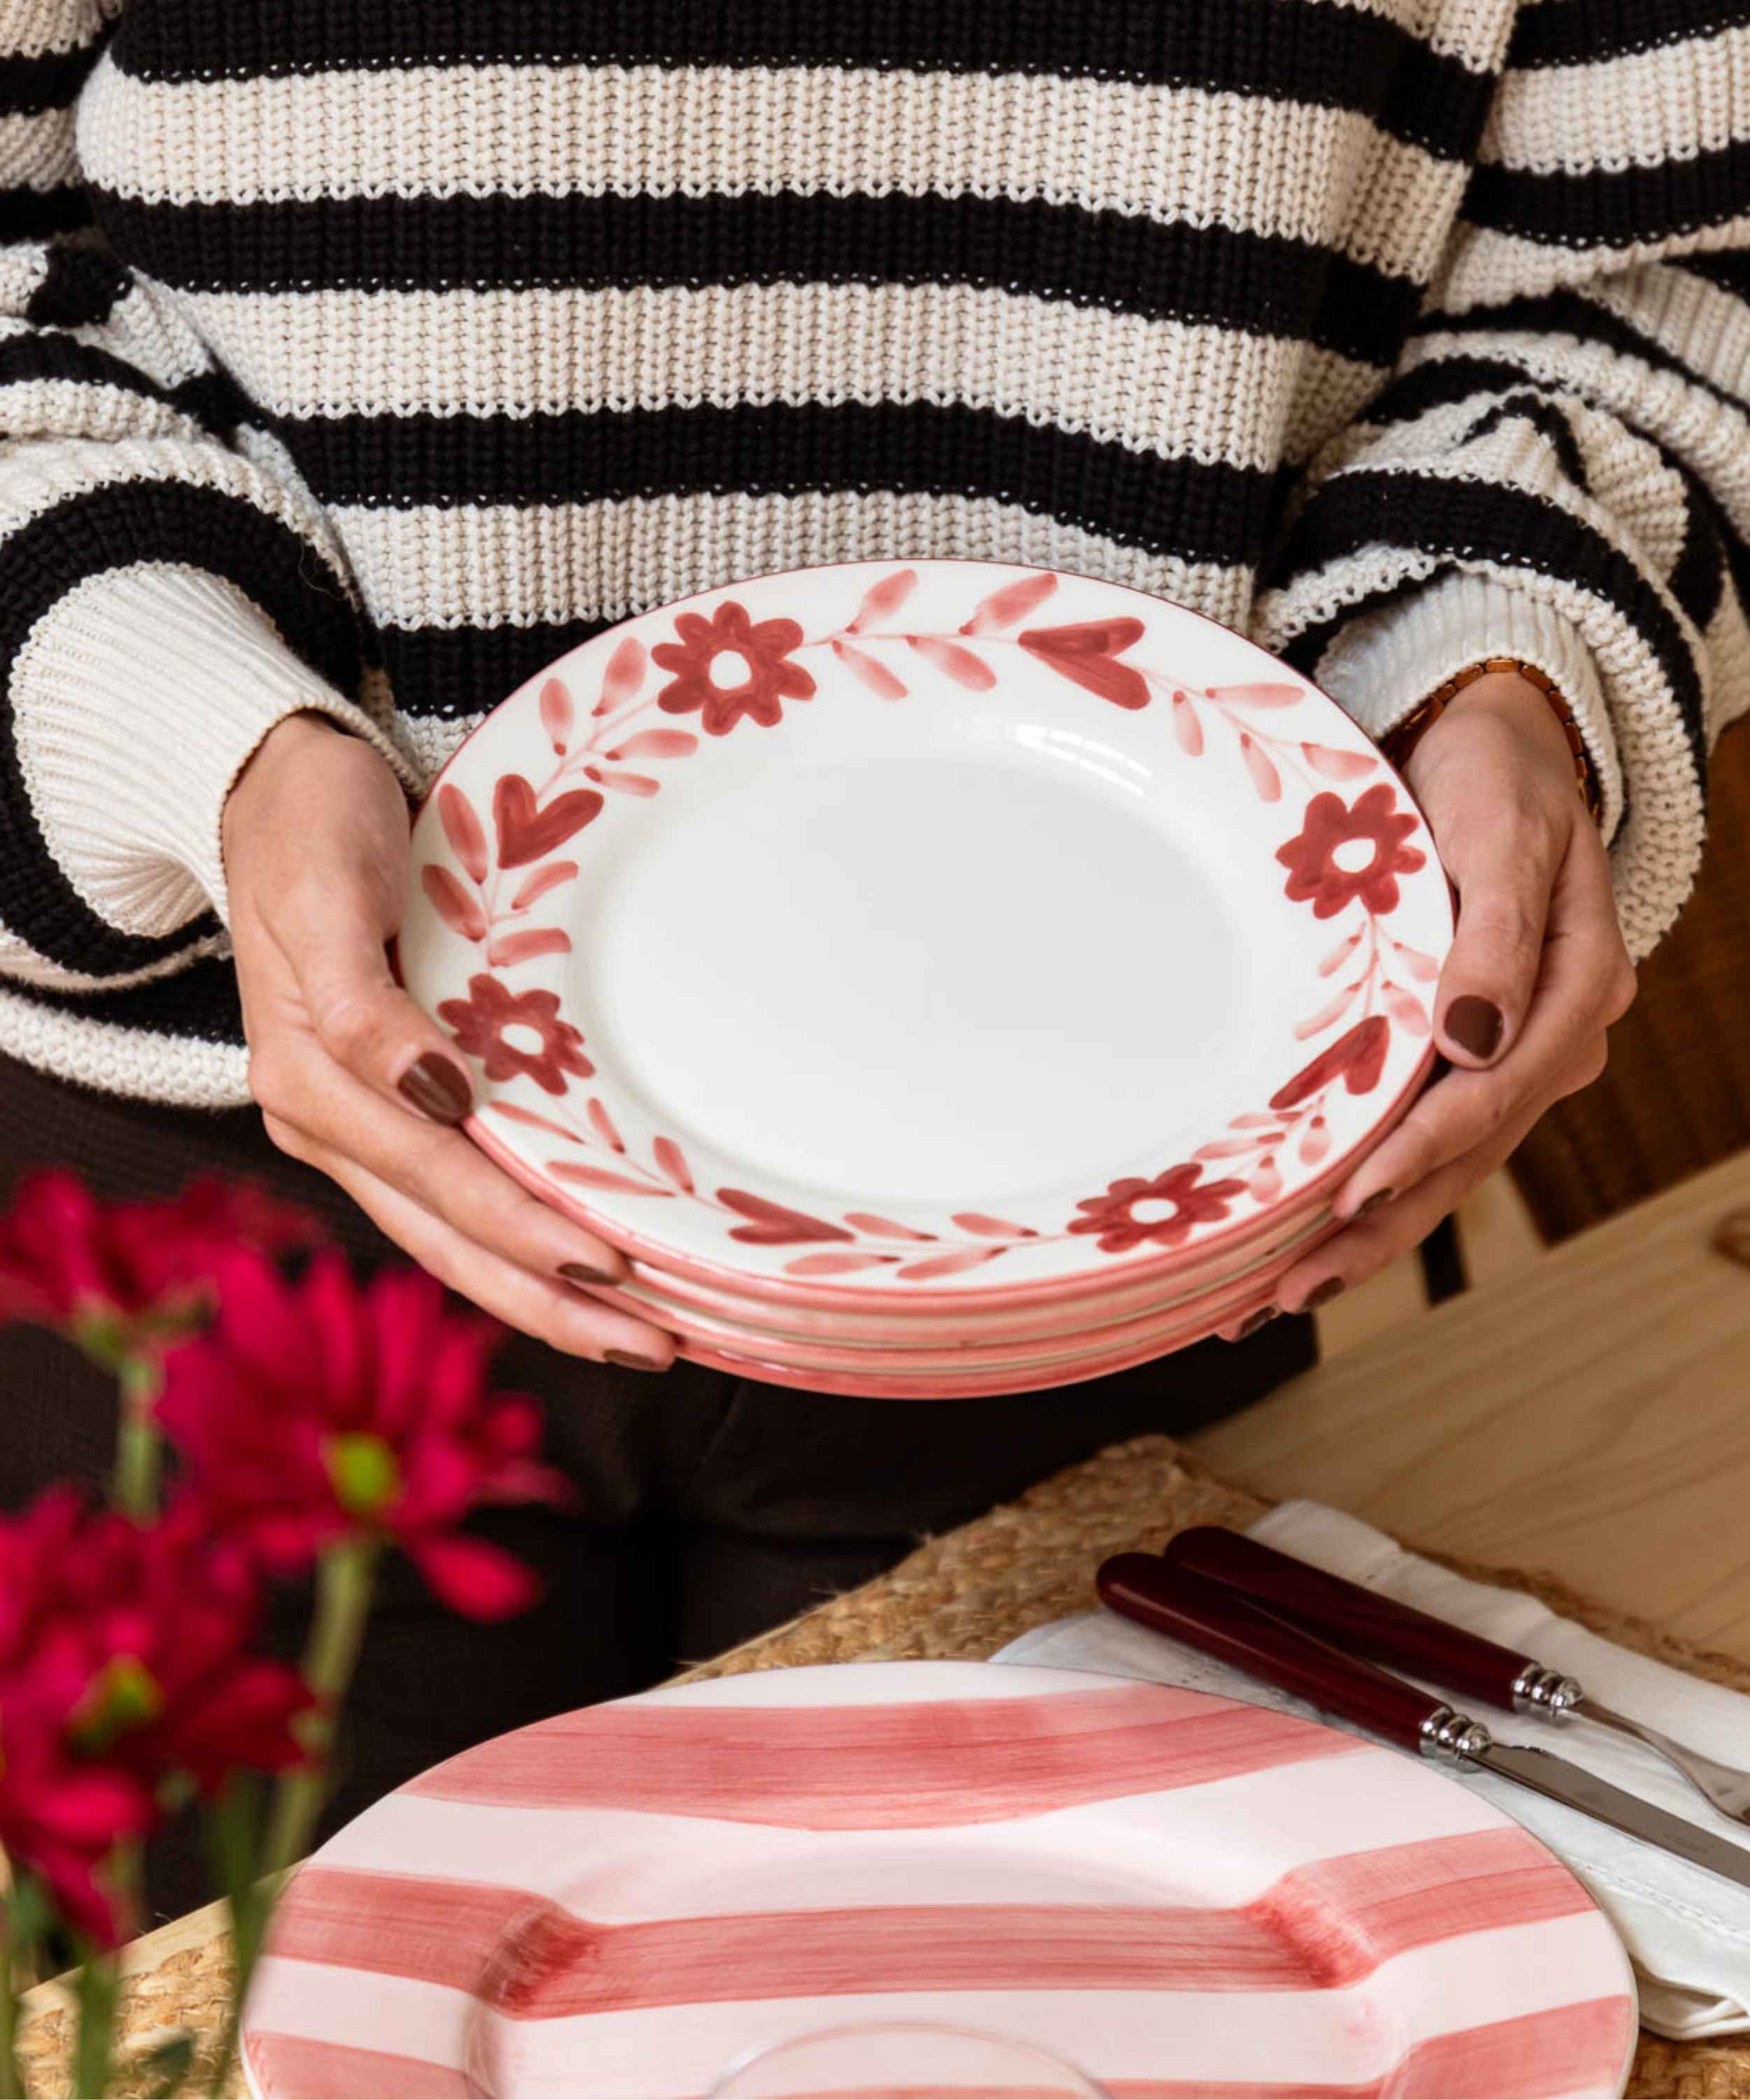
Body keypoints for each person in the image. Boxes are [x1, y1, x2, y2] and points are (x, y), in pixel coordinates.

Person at [1, 1, 1737, 1919]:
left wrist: (1503, 655)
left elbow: (1662, 280)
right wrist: (188, 721)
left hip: (1121, 1180)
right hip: (233, 1191)